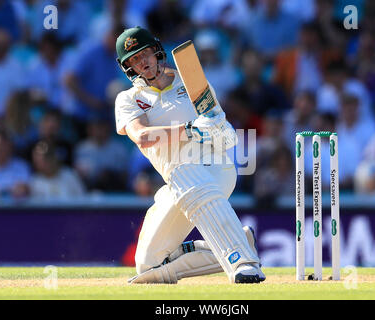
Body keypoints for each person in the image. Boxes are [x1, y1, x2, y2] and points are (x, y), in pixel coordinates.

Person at [114, 27, 265, 284]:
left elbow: (227, 138)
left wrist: (219, 128)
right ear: (128, 67)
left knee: (186, 170)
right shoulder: (129, 99)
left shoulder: (192, 84)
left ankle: (243, 262)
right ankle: (240, 240)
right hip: (177, 180)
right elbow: (142, 136)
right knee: (148, 265)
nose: (143, 63)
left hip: (214, 167)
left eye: (145, 54)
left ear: (156, 52)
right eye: (135, 60)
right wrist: (191, 130)